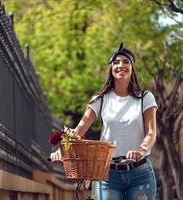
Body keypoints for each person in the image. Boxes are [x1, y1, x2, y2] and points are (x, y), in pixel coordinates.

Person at [50, 43, 157, 200]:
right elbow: (79, 129)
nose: (121, 65)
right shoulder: (100, 99)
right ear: (111, 69)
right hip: (108, 175)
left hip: (140, 173)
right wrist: (63, 150)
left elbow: (151, 132)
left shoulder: (145, 98)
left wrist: (141, 150)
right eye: (116, 62)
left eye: (126, 62)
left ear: (132, 68)